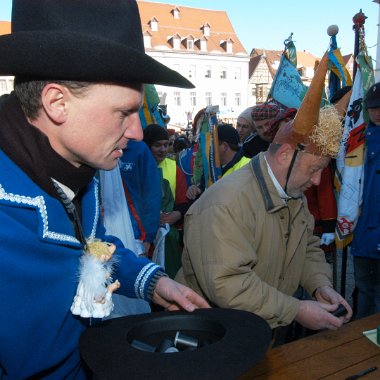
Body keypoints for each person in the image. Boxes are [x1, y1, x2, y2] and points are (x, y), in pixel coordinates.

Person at [0, 1, 209, 378]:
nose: (137, 132)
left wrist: (150, 281)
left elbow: (89, 245)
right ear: (56, 103)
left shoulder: (77, 163)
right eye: (124, 113)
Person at [176, 52, 353, 332]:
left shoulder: (292, 193)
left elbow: (306, 248)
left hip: (259, 330)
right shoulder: (227, 203)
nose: (318, 181)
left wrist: (320, 285)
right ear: (285, 155)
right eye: (314, 168)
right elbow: (228, 283)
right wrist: (295, 310)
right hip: (215, 335)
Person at [143, 124, 190, 279]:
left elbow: (183, 202)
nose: (163, 149)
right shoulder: (138, 167)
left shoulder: (173, 167)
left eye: (166, 145)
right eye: (157, 145)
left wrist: (177, 214)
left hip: (167, 238)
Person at [350, 82, 380, 319]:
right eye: (372, 107)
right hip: (363, 229)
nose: (377, 112)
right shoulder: (357, 138)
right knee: (364, 292)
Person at [186, 123, 251, 200]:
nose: (209, 149)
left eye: (212, 145)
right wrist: (196, 190)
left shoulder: (248, 167)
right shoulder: (211, 167)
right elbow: (204, 189)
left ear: (224, 146)